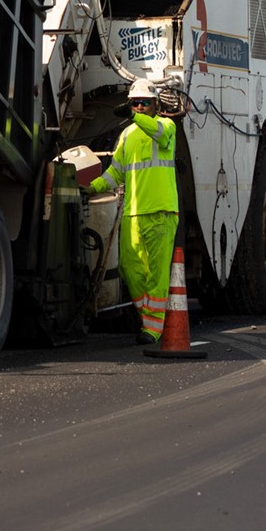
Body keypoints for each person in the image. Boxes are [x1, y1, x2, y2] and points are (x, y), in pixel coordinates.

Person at [88, 78, 182, 345]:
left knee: (157, 272)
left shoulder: (166, 126)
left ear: (155, 104)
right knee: (130, 270)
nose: (139, 107)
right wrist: (91, 188)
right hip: (133, 213)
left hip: (162, 211)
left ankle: (153, 329)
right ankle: (149, 318)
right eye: (135, 103)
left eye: (144, 102)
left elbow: (156, 131)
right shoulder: (127, 135)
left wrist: (134, 115)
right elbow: (115, 172)